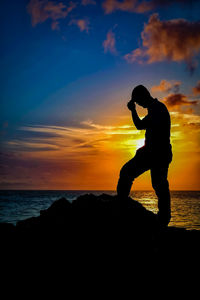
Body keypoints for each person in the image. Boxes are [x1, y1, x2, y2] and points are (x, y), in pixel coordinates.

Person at [117, 85, 173, 226]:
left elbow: (140, 126)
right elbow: (142, 126)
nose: (139, 104)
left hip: (156, 153)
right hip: (157, 153)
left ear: (143, 96)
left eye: (138, 101)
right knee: (159, 184)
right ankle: (164, 218)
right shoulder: (156, 108)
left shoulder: (157, 108)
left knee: (128, 173)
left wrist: (133, 111)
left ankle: (163, 218)